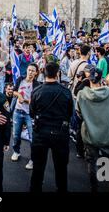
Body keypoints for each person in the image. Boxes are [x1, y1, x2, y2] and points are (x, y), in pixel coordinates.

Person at [30, 62, 74, 192]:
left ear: (44, 73)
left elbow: (32, 112)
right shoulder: (65, 92)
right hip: (60, 132)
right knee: (61, 167)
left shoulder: (37, 91)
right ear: (58, 73)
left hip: (40, 132)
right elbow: (69, 113)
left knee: (38, 167)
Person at [77, 67, 109, 192]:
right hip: (108, 135)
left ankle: (95, 189)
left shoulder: (82, 94)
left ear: (88, 78)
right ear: (101, 78)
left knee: (93, 164)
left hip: (90, 136)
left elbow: (79, 114)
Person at [10, 63, 41, 170]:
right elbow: (14, 91)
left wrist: (26, 100)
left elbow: (36, 101)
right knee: (16, 134)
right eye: (29, 70)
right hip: (18, 111)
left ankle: (33, 159)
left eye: (33, 71)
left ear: (36, 73)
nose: (30, 72)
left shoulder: (37, 85)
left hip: (29, 114)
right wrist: (18, 95)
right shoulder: (20, 79)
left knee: (33, 137)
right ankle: (16, 151)